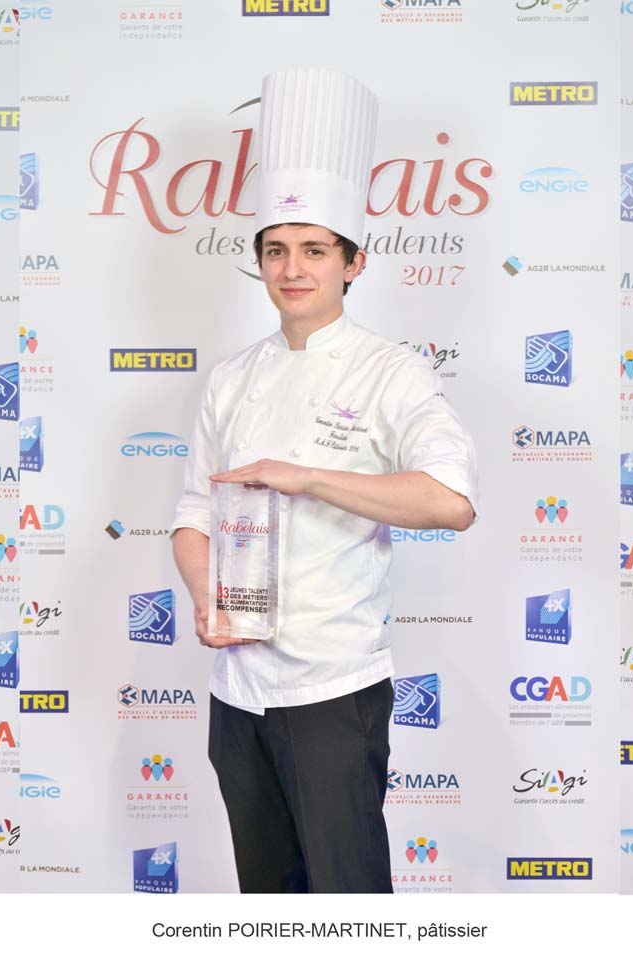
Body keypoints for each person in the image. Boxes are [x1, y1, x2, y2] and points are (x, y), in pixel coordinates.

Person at [170, 68, 478, 893]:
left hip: (333, 697)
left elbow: (450, 500)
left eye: (314, 250)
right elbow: (193, 513)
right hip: (237, 695)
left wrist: (307, 478)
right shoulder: (232, 378)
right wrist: (206, 597)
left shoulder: (392, 372)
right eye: (277, 250)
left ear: (353, 262)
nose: (293, 267)